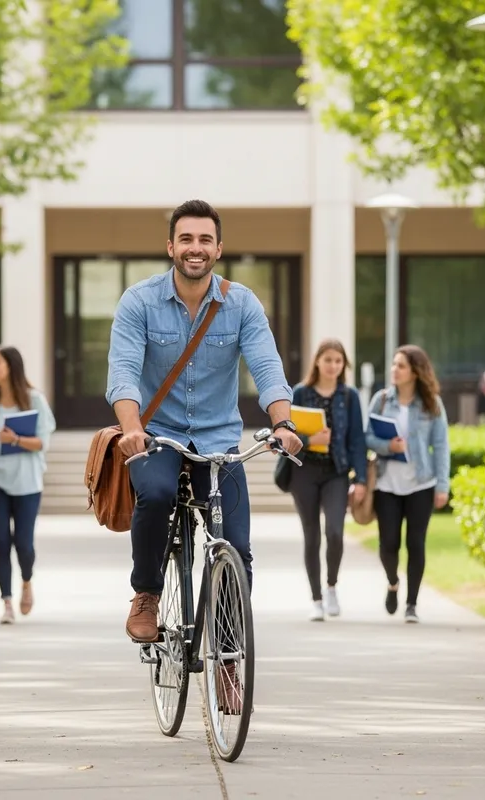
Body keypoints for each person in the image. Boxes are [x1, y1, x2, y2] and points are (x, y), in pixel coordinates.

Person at [106, 198, 302, 647]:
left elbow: (267, 367)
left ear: (218, 249)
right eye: (186, 239)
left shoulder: (242, 304)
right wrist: (132, 428)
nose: (196, 247)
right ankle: (147, 593)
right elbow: (123, 373)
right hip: (157, 436)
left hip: (217, 439)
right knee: (156, 495)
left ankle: (229, 655)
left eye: (205, 239)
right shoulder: (139, 301)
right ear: (171, 247)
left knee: (236, 544)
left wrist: (284, 423)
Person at [0, 345, 56, 625]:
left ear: (11, 367)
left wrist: (15, 440)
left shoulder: (34, 400)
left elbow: (42, 442)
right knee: (1, 542)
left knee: (24, 544)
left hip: (27, 481)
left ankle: (26, 582)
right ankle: (7, 603)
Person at [365, 345, 450, 624]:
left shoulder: (431, 404)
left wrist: (442, 486)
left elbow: (441, 445)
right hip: (387, 484)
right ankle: (393, 583)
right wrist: (388, 446)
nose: (394, 370)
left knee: (416, 543)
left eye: (401, 365)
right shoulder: (381, 400)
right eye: (394, 364)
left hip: (421, 485)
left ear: (415, 372)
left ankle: (412, 604)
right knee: (388, 544)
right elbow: (367, 437)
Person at [289, 338, 367, 621]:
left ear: (344, 364)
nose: (333, 366)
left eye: (338, 361)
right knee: (311, 536)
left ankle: (331, 586)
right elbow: (287, 433)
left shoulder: (349, 396)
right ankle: (316, 599)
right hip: (304, 472)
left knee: (334, 532)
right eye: (328, 360)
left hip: (337, 472)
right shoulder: (300, 393)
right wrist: (311, 440)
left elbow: (357, 440)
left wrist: (361, 479)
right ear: (317, 362)